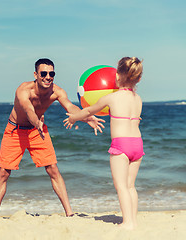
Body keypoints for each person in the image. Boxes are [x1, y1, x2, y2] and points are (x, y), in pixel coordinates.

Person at [0, 58, 105, 218]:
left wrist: (86, 117)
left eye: (52, 73)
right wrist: (36, 121)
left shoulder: (57, 91)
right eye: (43, 73)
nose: (48, 77)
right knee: (4, 172)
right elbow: (28, 109)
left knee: (53, 169)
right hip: (15, 130)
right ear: (36, 74)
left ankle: (70, 214)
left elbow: (70, 107)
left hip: (38, 131)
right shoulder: (24, 90)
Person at [64, 57, 144, 230]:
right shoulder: (138, 99)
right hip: (137, 144)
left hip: (121, 145)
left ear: (117, 76)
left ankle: (127, 222)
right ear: (137, 78)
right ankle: (133, 221)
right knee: (131, 186)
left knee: (121, 186)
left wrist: (73, 117)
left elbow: (88, 110)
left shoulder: (111, 98)